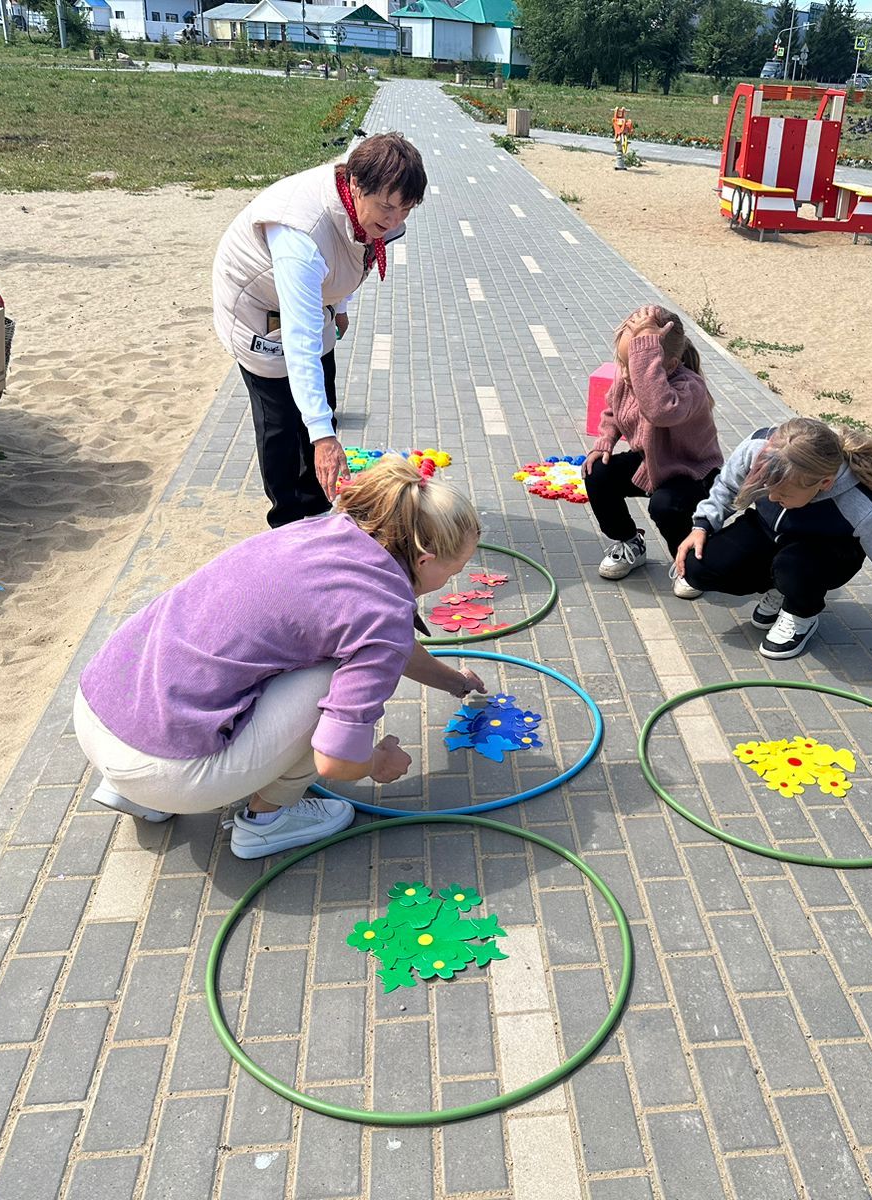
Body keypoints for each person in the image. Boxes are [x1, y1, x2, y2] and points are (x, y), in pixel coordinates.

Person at [72, 459, 486, 860]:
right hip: (162, 770)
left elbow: (381, 641)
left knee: (268, 644)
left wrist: (455, 683)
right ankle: (266, 822)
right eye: (456, 570)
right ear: (424, 560)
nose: (453, 580)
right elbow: (336, 758)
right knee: (331, 677)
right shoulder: (382, 614)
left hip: (98, 712)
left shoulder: (324, 531)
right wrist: (377, 762)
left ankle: (128, 788)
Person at [213, 132, 427, 528]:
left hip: (312, 301)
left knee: (320, 396)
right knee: (281, 419)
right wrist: (323, 438)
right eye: (386, 209)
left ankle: (317, 507)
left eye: (405, 211)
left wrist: (339, 305)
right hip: (257, 305)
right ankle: (287, 521)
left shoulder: (364, 197)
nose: (394, 221)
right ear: (357, 185)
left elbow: (349, 250)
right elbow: (299, 340)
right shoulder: (301, 233)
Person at [674, 417, 872, 667]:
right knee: (697, 567)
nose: (771, 497)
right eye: (766, 487)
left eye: (783, 493)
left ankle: (801, 613)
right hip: (768, 532)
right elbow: (727, 486)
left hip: (823, 554)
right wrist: (702, 525)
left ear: (825, 484)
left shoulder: (866, 504)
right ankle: (779, 588)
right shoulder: (760, 447)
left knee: (792, 568)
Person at [583, 304, 723, 601]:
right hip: (652, 460)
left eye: (631, 364)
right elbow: (612, 409)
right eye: (622, 362)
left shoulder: (690, 387)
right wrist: (605, 440)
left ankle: (688, 563)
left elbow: (659, 409)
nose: (623, 372)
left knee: (665, 506)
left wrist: (643, 356)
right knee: (597, 474)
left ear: (667, 365)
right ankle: (629, 542)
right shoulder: (628, 377)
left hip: (692, 470)